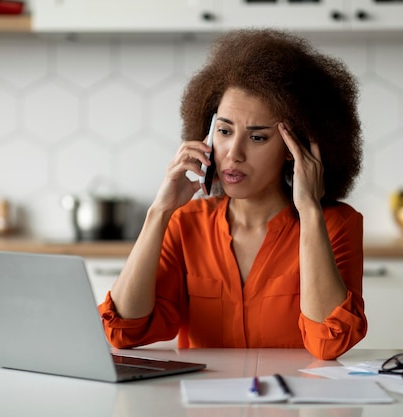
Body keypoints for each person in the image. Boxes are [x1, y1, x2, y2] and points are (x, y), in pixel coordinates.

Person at [98, 28, 367, 360]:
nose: (233, 153)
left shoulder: (337, 225)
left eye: (257, 138)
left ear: (293, 148)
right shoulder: (185, 224)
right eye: (224, 131)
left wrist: (309, 210)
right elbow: (124, 330)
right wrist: (160, 211)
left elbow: (330, 342)